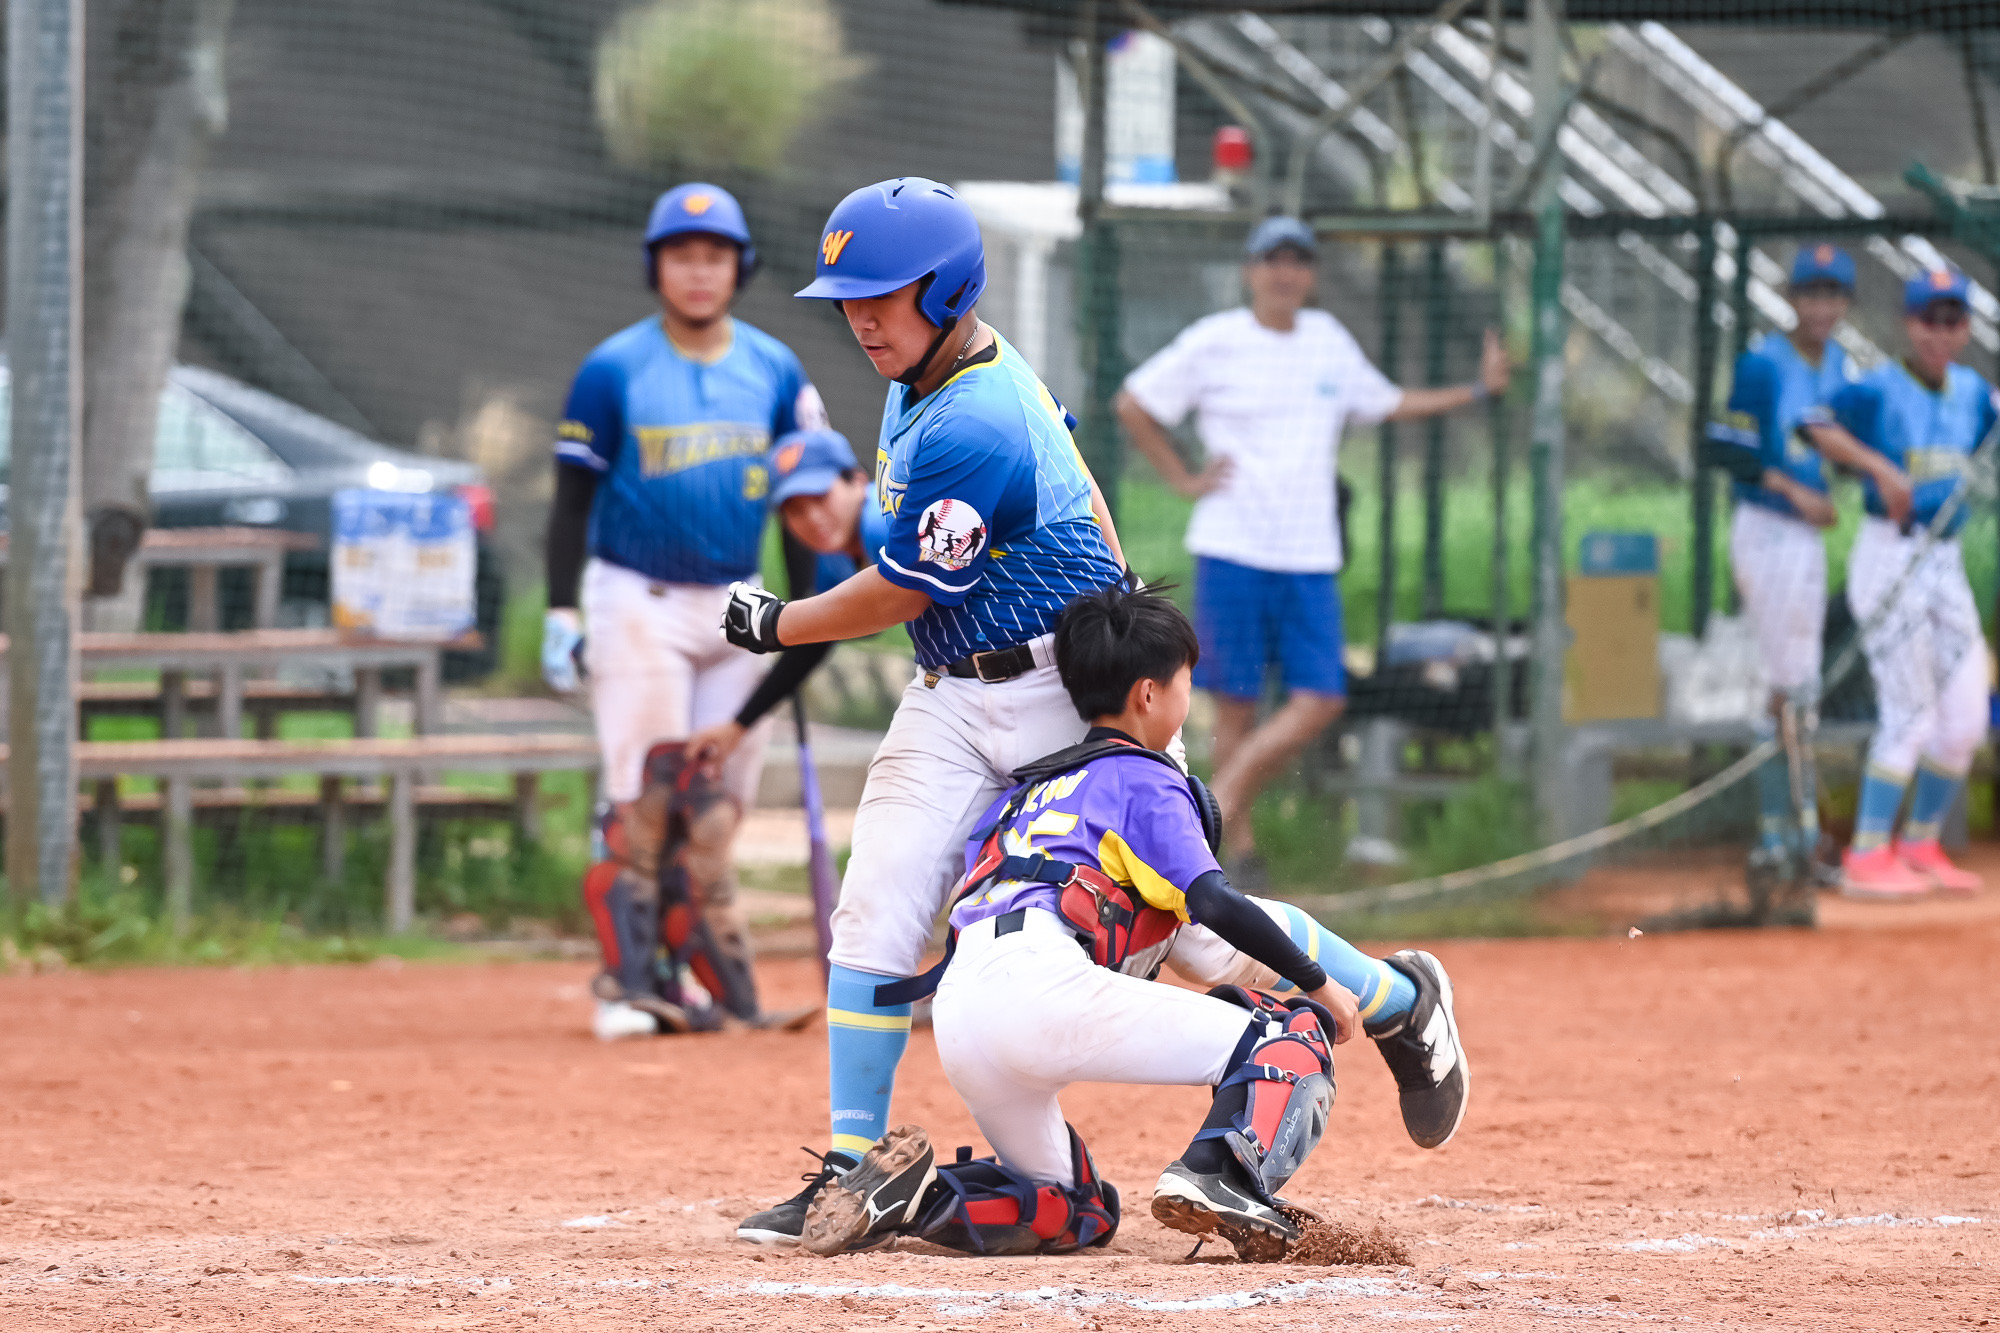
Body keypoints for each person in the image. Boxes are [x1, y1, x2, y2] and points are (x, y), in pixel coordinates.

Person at [721, 182, 1471, 1249]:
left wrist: (779, 622)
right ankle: (850, 1170)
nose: (861, 319)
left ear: (946, 291)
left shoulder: (974, 416)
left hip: (1054, 693)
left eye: (881, 297)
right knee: (875, 907)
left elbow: (905, 588)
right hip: (951, 692)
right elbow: (1075, 478)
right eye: (849, 300)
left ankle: (1398, 999)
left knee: (1187, 935)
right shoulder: (924, 374)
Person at [795, 584, 1467, 1261]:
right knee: (1284, 1036)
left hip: (962, 1019)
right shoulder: (1140, 776)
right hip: (1038, 986)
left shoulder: (1024, 791)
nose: (1188, 700)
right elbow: (1214, 903)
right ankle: (1224, 1175)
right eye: (1185, 683)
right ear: (1148, 694)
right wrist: (1318, 983)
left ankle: (915, 1197)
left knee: (1074, 1209)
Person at [1116, 216, 1511, 881]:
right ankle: (1238, 856)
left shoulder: (1327, 339)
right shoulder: (1216, 340)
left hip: (1308, 556)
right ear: (1250, 271)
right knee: (1234, 705)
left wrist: (1477, 391)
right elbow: (1133, 404)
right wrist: (1184, 478)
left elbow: (1388, 401)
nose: (1285, 272)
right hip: (1233, 547)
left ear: (1311, 275)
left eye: (1298, 260)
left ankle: (1210, 812)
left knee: (1322, 695)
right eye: (1272, 259)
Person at [542, 182, 829, 1040]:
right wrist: (560, 609)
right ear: (655, 267)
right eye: (682, 256)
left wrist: (805, 610)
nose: (699, 272)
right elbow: (569, 501)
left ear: (740, 267)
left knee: (715, 804)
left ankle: (701, 978)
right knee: (646, 795)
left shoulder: (775, 368)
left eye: (715, 256)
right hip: (640, 596)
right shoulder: (613, 368)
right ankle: (626, 984)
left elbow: (805, 495)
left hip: (740, 599)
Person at [1801, 268, 1992, 900]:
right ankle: (1866, 854)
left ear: (1966, 328)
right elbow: (1815, 425)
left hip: (1944, 560)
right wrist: (1878, 467)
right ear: (1908, 324)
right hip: (1890, 553)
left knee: (1965, 715)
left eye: (1952, 320)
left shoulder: (1973, 393)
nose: (1940, 332)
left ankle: (1919, 844)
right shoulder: (1878, 388)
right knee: (1910, 710)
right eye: (1927, 319)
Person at [1715, 244, 1855, 889]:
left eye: (1833, 294)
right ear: (1791, 298)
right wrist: (1797, 493)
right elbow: (1727, 448)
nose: (1821, 306)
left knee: (1798, 686)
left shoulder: (1840, 365)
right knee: (1786, 686)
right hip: (1768, 529)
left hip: (1804, 538)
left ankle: (1792, 835)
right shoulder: (1763, 364)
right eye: (1810, 293)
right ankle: (1781, 838)